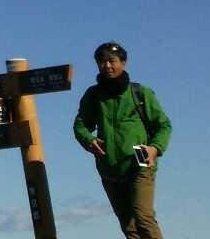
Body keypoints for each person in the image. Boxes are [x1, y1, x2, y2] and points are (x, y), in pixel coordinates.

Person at [73, 41, 172, 239]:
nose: (107, 66)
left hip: (140, 161)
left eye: (112, 61)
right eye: (102, 62)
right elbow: (80, 125)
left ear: (123, 63)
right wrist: (89, 140)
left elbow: (164, 125)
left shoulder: (140, 92)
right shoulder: (94, 95)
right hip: (109, 167)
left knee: (143, 217)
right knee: (129, 227)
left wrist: (154, 148)